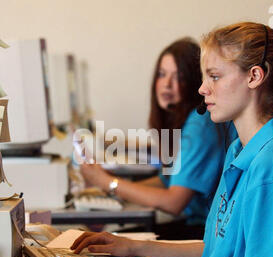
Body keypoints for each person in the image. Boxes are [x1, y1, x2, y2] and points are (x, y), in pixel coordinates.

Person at [71, 22, 273, 257]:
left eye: (214, 76)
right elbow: (215, 251)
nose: (202, 89)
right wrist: (132, 247)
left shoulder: (271, 167)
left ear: (254, 76)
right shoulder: (238, 151)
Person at [79, 38, 236, 240]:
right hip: (198, 228)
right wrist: (109, 181)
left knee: (105, 243)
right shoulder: (185, 119)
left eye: (178, 77)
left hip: (206, 235)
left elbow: (174, 202)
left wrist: (109, 183)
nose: (167, 84)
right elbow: (167, 180)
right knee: (108, 240)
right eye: (162, 75)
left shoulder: (200, 123)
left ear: (194, 82)